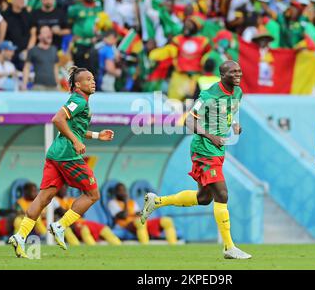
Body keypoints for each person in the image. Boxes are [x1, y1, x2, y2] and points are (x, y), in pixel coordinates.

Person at [141, 60, 251, 259]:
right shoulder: (208, 95)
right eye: (233, 72)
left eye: (239, 71)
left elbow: (232, 110)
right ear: (222, 74)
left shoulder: (237, 92)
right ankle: (229, 247)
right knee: (222, 194)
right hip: (204, 150)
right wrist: (211, 135)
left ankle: (156, 201)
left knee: (204, 198)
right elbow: (189, 121)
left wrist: (235, 124)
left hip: (217, 150)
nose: (238, 74)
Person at [8, 66, 115, 258]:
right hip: (68, 154)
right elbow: (58, 119)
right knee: (92, 194)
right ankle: (60, 226)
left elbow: (75, 129)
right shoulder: (78, 100)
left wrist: (98, 135)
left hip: (55, 153)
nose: (93, 81)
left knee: (44, 197)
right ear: (77, 85)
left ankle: (20, 236)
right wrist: (75, 142)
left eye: (93, 78)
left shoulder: (80, 102)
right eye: (88, 79)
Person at [108, 183, 177, 245]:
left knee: (167, 221)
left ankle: (173, 246)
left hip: (140, 222)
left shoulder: (132, 202)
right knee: (140, 223)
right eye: (120, 190)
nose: (122, 192)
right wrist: (126, 202)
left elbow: (140, 213)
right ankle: (145, 247)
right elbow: (124, 216)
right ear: (116, 192)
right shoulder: (112, 203)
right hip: (127, 225)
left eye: (124, 190)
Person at [53, 185, 121, 246]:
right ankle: (91, 249)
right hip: (70, 223)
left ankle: (119, 246)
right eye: (62, 188)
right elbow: (62, 213)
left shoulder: (71, 199)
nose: (64, 190)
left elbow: (81, 212)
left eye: (65, 188)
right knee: (84, 229)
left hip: (81, 221)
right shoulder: (54, 200)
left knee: (104, 228)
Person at [23, 26, 59, 91]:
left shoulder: (54, 49)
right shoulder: (33, 50)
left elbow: (55, 68)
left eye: (50, 31)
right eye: (46, 32)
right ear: (39, 36)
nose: (49, 34)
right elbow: (27, 68)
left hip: (53, 87)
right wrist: (24, 85)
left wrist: (58, 84)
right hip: (38, 86)